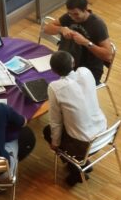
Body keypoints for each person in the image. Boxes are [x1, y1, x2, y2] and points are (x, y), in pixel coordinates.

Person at [43, 50, 108, 184]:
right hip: (104, 132)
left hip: (84, 144)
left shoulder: (55, 87)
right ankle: (81, 162)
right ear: (73, 62)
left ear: (53, 71)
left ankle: (76, 170)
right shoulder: (86, 72)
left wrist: (55, 144)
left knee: (48, 131)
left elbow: (55, 121)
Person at [43, 0, 113, 84]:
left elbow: (108, 56)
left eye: (76, 14)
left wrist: (86, 42)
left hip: (89, 71)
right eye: (70, 14)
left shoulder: (97, 25)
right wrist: (61, 29)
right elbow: (46, 29)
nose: (73, 17)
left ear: (85, 9)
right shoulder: (69, 17)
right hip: (68, 64)